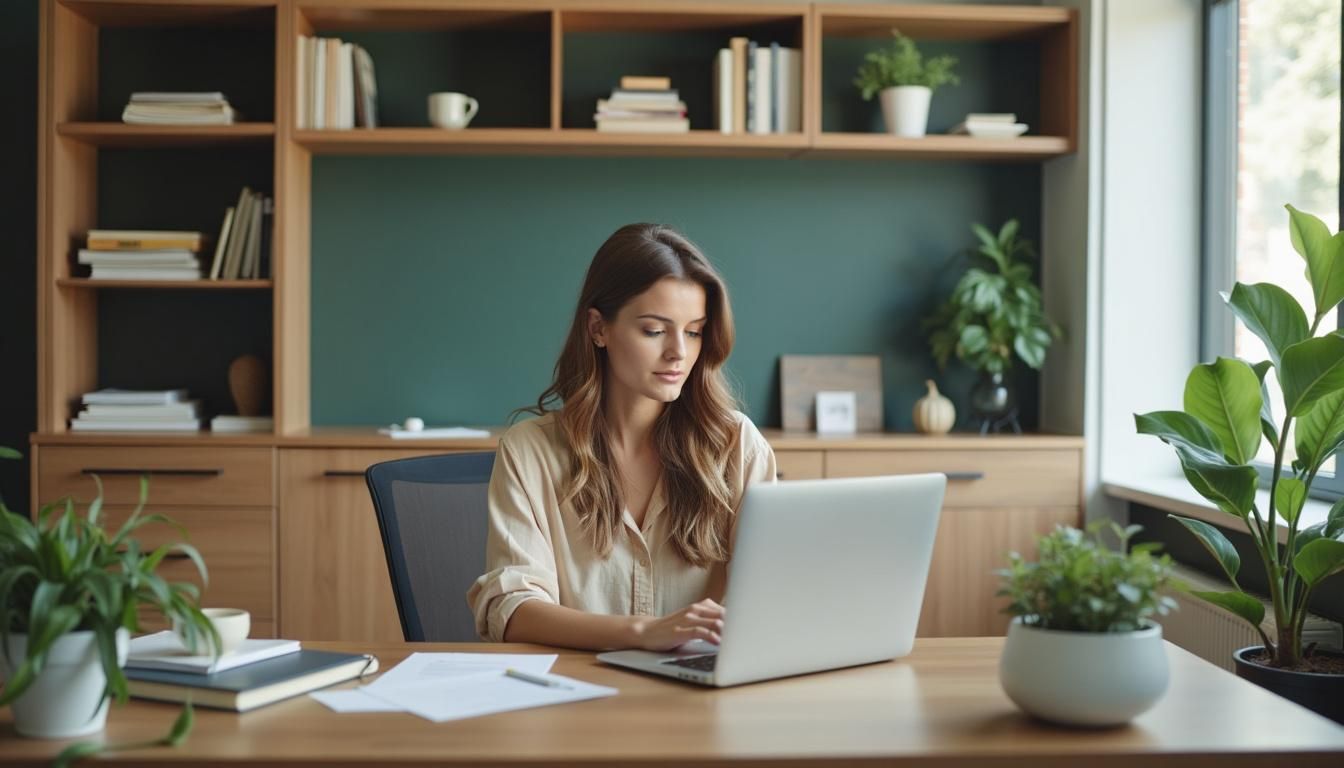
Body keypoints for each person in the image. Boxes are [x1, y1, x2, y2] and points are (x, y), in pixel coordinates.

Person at [467, 223, 777, 651]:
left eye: (694, 331)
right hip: (573, 698)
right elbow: (511, 608)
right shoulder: (530, 451)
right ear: (598, 328)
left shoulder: (737, 445)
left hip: (702, 697)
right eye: (654, 330)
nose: (679, 353)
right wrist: (642, 633)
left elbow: (770, 596)